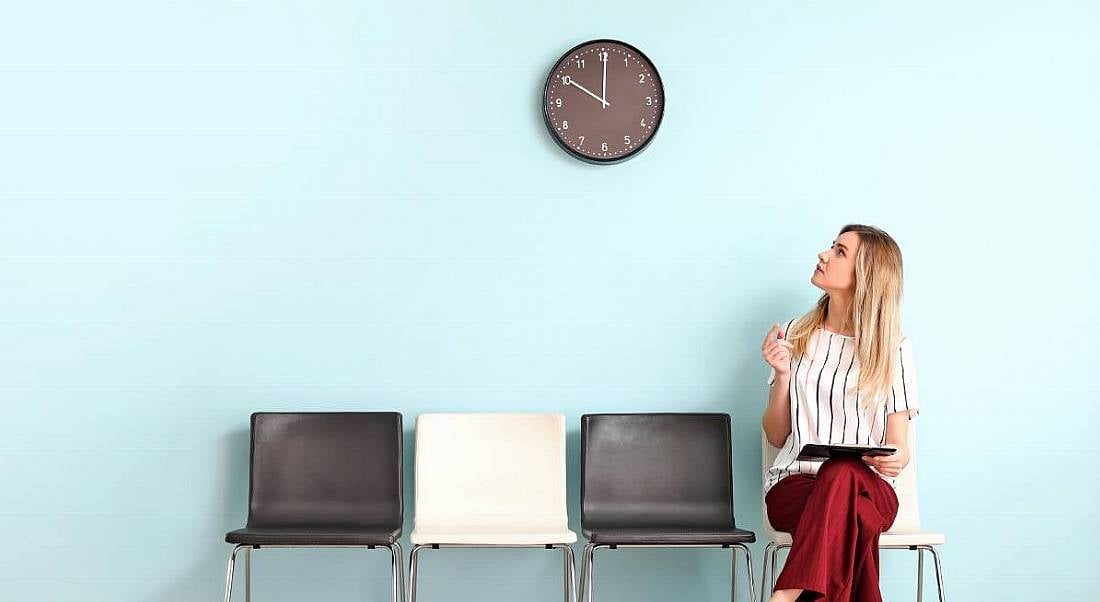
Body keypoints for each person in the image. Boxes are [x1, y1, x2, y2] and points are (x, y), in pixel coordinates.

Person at [760, 224, 920, 602]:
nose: (824, 255)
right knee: (857, 520)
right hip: (794, 486)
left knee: (845, 471)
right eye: (832, 247)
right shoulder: (795, 334)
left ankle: (787, 592)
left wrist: (895, 459)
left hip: (872, 488)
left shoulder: (893, 347)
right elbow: (776, 435)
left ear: (865, 274)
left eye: (839, 251)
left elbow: (899, 445)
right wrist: (782, 377)